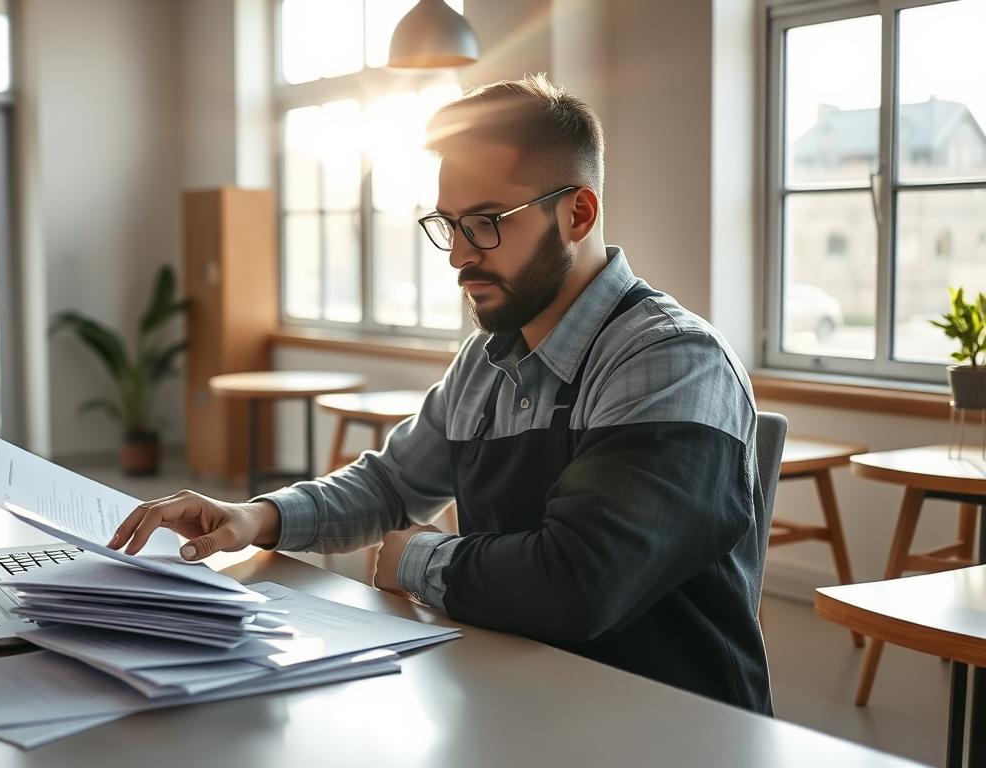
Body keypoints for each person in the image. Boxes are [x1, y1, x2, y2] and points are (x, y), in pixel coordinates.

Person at [109, 73, 770, 713]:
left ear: (578, 212)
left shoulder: (670, 361)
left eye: (484, 223)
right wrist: (255, 517)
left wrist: (415, 559)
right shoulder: (486, 357)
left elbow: (579, 584)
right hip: (523, 699)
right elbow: (392, 486)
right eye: (447, 225)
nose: (457, 255)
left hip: (670, 727)